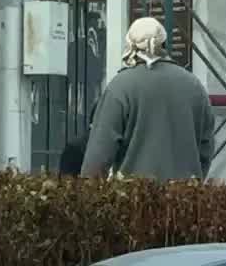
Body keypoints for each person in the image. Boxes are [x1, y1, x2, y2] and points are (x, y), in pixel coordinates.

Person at [81, 17, 215, 182]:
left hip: (135, 199)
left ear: (130, 46)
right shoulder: (195, 86)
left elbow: (98, 156)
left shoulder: (120, 87)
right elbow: (206, 149)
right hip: (185, 198)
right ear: (164, 44)